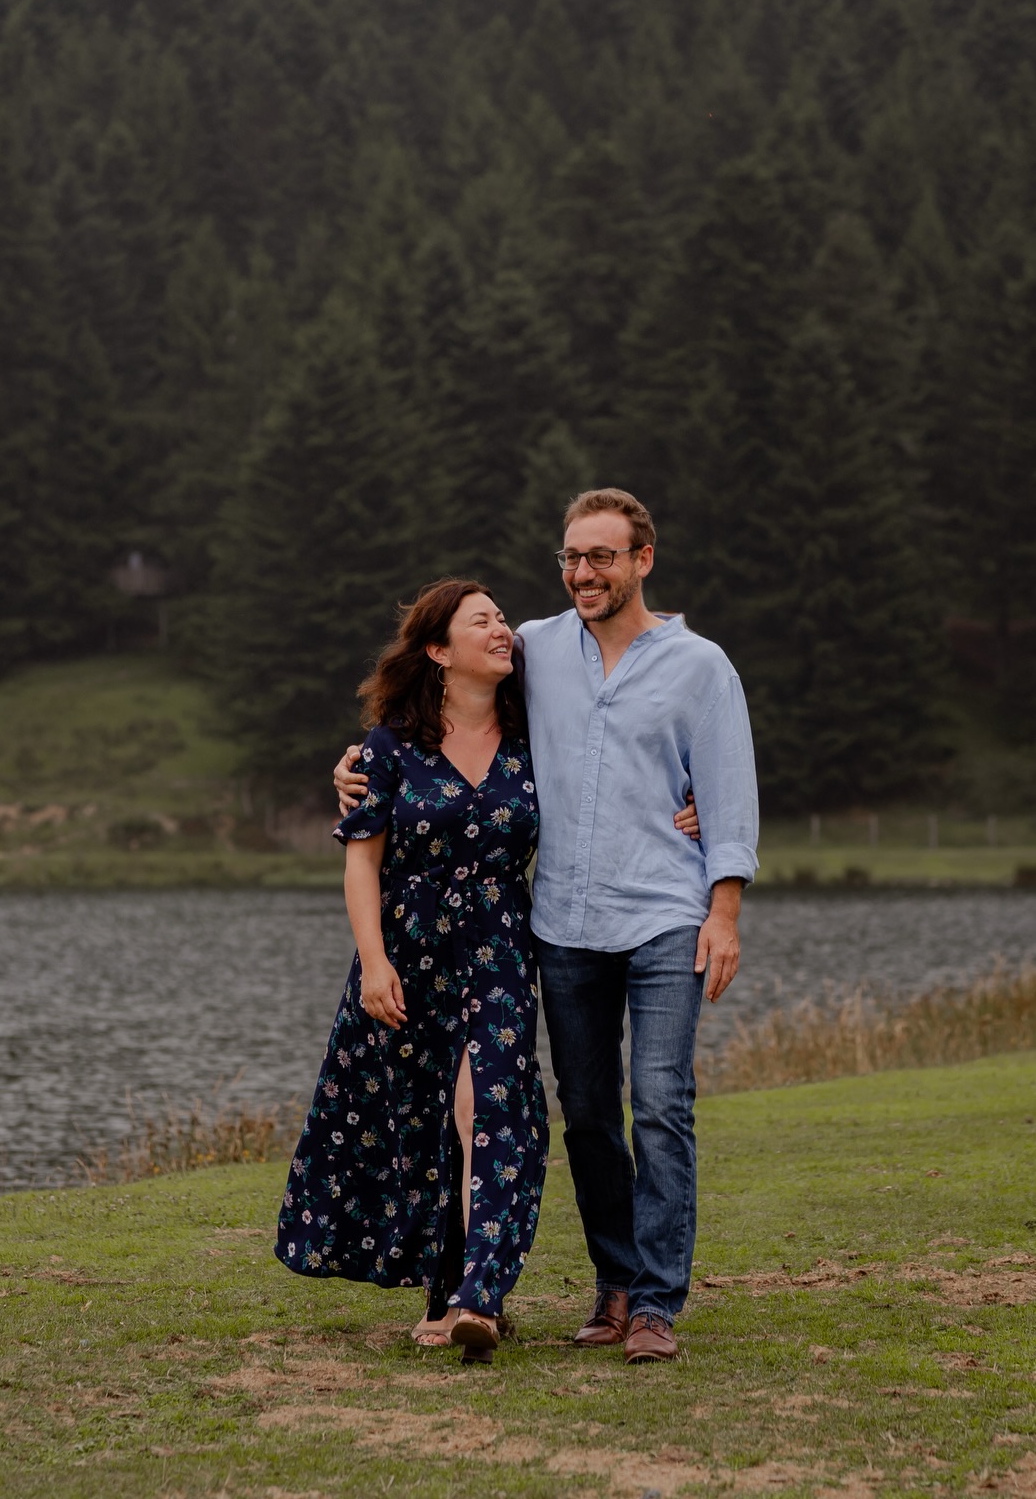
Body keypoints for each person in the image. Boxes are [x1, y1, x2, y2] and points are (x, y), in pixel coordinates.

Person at [336, 488, 757, 1365]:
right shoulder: (533, 649)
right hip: (563, 923)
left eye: (602, 556)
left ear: (643, 559)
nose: (583, 572)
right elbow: (446, 690)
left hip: (667, 913)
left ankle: (656, 1305)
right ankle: (614, 1284)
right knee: (590, 1114)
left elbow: (728, 793)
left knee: (661, 1105)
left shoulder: (701, 666)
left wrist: (724, 912)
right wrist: (356, 767)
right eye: (571, 557)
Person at [275, 578, 548, 1365]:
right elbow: (362, 862)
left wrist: (683, 810)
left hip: (499, 946)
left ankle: (479, 1295)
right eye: (481, 620)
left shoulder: (536, 737)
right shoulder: (389, 747)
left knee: (487, 1103)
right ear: (438, 649)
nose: (501, 629)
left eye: (502, 618)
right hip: (408, 950)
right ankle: (444, 1288)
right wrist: (373, 963)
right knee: (424, 1117)